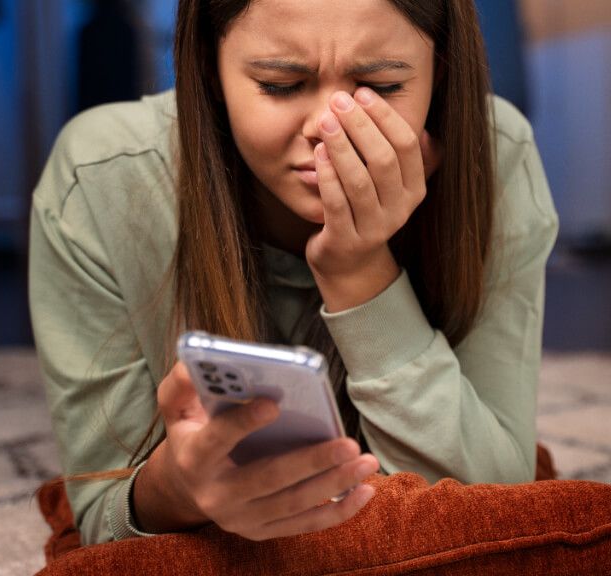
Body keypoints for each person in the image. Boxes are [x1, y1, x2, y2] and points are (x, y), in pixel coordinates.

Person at [29, 0, 558, 546]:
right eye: (280, 84)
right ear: (209, 67)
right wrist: (178, 489)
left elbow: (495, 506)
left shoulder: (491, 154)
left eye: (379, 84)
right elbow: (103, 519)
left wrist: (360, 271)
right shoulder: (102, 178)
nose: (329, 130)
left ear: (439, 69)